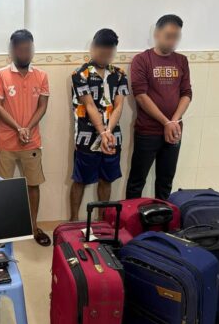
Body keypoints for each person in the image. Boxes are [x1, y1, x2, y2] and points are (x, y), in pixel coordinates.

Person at [0, 29, 51, 246]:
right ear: (13, 50)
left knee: (33, 185)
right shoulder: (1, 74)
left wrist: (27, 128)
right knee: (3, 188)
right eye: (20, 49)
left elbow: (43, 106)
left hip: (32, 140)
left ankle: (33, 226)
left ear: (32, 49)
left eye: (28, 49)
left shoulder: (41, 75)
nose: (24, 53)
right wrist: (18, 128)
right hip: (6, 141)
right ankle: (3, 229)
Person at [126, 14, 192, 200]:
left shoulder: (181, 61)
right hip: (148, 131)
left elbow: (187, 93)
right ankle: (131, 217)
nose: (172, 41)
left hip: (174, 130)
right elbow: (140, 95)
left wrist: (173, 121)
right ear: (156, 34)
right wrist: (165, 122)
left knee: (165, 181)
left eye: (176, 37)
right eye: (168, 36)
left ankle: (163, 217)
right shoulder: (142, 60)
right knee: (137, 181)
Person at [69, 29, 129, 220]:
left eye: (109, 53)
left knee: (106, 179)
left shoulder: (119, 74)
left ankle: (102, 221)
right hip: (87, 136)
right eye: (102, 52)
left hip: (112, 137)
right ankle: (73, 220)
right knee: (80, 180)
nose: (105, 56)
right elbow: (89, 105)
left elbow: (119, 106)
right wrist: (102, 132)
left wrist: (108, 132)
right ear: (93, 48)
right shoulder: (80, 74)